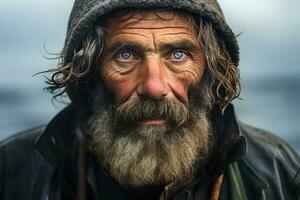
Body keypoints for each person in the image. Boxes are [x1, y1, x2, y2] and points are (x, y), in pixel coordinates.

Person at [1, 0, 299, 199]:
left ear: (211, 68)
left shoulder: (278, 171)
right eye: (126, 55)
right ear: (89, 72)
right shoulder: (13, 171)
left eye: (178, 54)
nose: (154, 86)